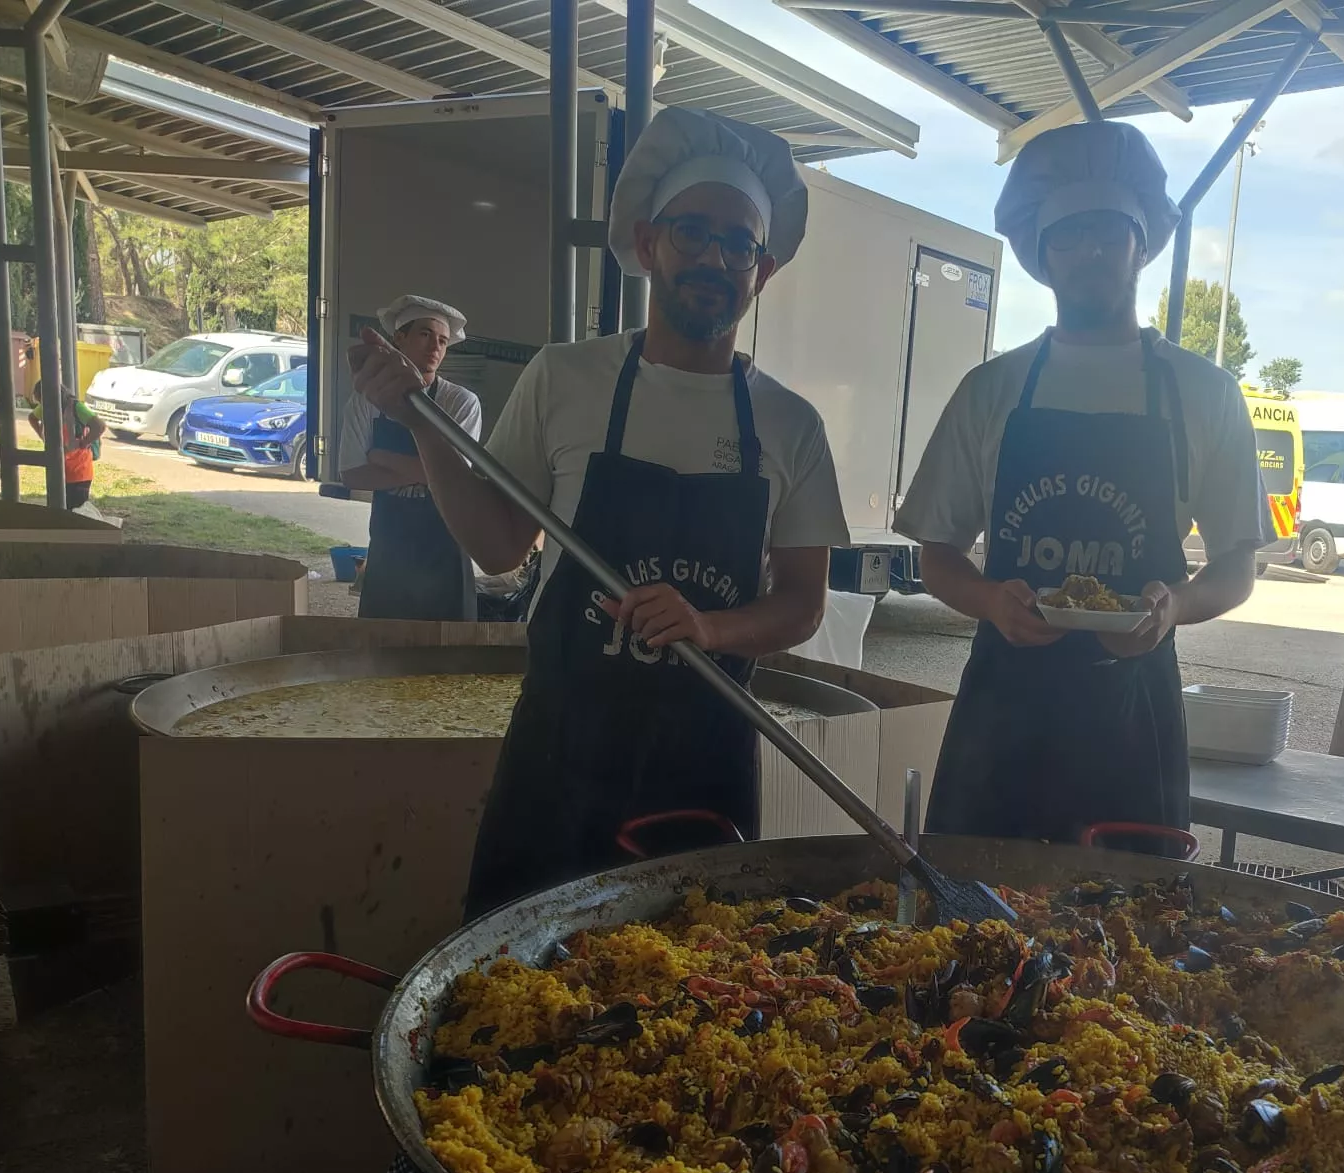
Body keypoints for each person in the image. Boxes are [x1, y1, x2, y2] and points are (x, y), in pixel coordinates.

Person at [351, 107, 845, 919]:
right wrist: (422, 422)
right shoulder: (564, 378)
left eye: (739, 243)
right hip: (561, 750)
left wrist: (711, 629)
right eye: (693, 233)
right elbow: (500, 545)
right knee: (516, 985)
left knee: (691, 1001)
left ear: (764, 269)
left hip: (705, 760)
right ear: (649, 243)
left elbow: (802, 602)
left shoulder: (791, 425)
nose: (714, 259)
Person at [892, 122, 1270, 854]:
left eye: (1108, 231)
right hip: (1003, 709)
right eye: (1070, 236)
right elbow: (937, 553)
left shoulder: (1205, 393)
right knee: (972, 922)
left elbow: (1236, 568)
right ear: (1043, 254)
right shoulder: (992, 389)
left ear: (1141, 242)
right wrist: (989, 601)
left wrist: (1174, 607)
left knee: (1134, 941)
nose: (1091, 252)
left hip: (1134, 714)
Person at [339, 296, 484, 620]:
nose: (435, 346)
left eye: (443, 340)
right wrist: (427, 472)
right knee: (380, 654)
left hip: (447, 550)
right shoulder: (366, 401)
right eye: (424, 334)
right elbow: (351, 475)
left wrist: (381, 457)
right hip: (390, 549)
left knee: (450, 660)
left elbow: (458, 478)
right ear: (399, 338)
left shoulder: (460, 402)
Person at [28, 379, 106, 510]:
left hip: (79, 472)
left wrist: (83, 443)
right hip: (58, 470)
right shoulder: (47, 406)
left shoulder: (76, 408)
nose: (41, 406)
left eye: (42, 401)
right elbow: (32, 418)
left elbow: (99, 426)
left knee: (76, 512)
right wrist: (43, 438)